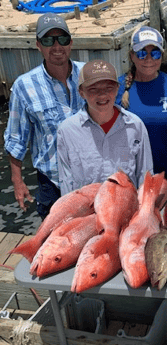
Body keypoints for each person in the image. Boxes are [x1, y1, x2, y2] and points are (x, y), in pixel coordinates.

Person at [3, 13, 85, 219]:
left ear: (71, 43)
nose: (57, 46)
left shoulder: (88, 74)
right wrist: (17, 181)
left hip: (90, 178)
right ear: (38, 45)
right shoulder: (23, 86)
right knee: (55, 244)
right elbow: (16, 138)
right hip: (52, 182)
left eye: (62, 39)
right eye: (48, 40)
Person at [57, 60, 153, 195]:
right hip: (88, 213)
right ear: (81, 92)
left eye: (109, 88)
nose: (102, 95)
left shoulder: (135, 126)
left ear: (117, 89)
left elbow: (145, 176)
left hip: (127, 211)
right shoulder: (66, 131)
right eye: (93, 89)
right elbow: (66, 182)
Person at [115, 26, 167, 184]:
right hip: (130, 175)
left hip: (166, 172)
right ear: (132, 55)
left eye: (155, 53)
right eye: (141, 53)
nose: (149, 59)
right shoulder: (117, 88)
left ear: (162, 55)